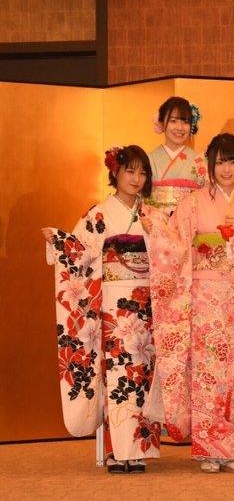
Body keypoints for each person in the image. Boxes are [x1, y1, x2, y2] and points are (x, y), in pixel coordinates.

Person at [148, 133, 234, 473]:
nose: (226, 169)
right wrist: (155, 227)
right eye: (220, 162)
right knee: (209, 371)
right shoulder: (192, 203)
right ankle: (209, 448)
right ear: (210, 165)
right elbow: (174, 244)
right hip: (205, 294)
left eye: (232, 162)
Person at [42, 146, 160, 473]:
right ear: (115, 173)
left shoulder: (152, 214)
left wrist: (157, 235)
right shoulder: (100, 213)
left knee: (143, 375)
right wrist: (59, 241)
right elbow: (81, 252)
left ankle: (138, 449)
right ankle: (117, 451)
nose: (136, 179)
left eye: (142, 173)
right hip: (113, 302)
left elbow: (170, 252)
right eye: (130, 171)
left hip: (147, 302)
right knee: (117, 374)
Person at [147, 96, 207, 214]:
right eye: (173, 121)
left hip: (189, 219)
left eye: (185, 122)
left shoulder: (200, 161)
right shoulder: (148, 159)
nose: (179, 128)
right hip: (153, 220)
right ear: (162, 123)